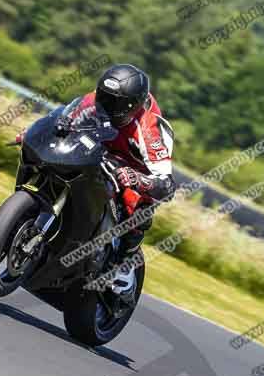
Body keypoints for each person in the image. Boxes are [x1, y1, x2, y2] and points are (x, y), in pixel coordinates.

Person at [19, 64, 176, 277]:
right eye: (105, 97)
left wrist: (138, 180)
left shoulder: (150, 129)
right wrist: (37, 134)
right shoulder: (93, 100)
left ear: (133, 106)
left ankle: (123, 262)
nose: (106, 105)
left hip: (133, 166)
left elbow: (167, 185)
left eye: (115, 103)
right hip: (99, 149)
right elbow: (63, 122)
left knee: (134, 202)